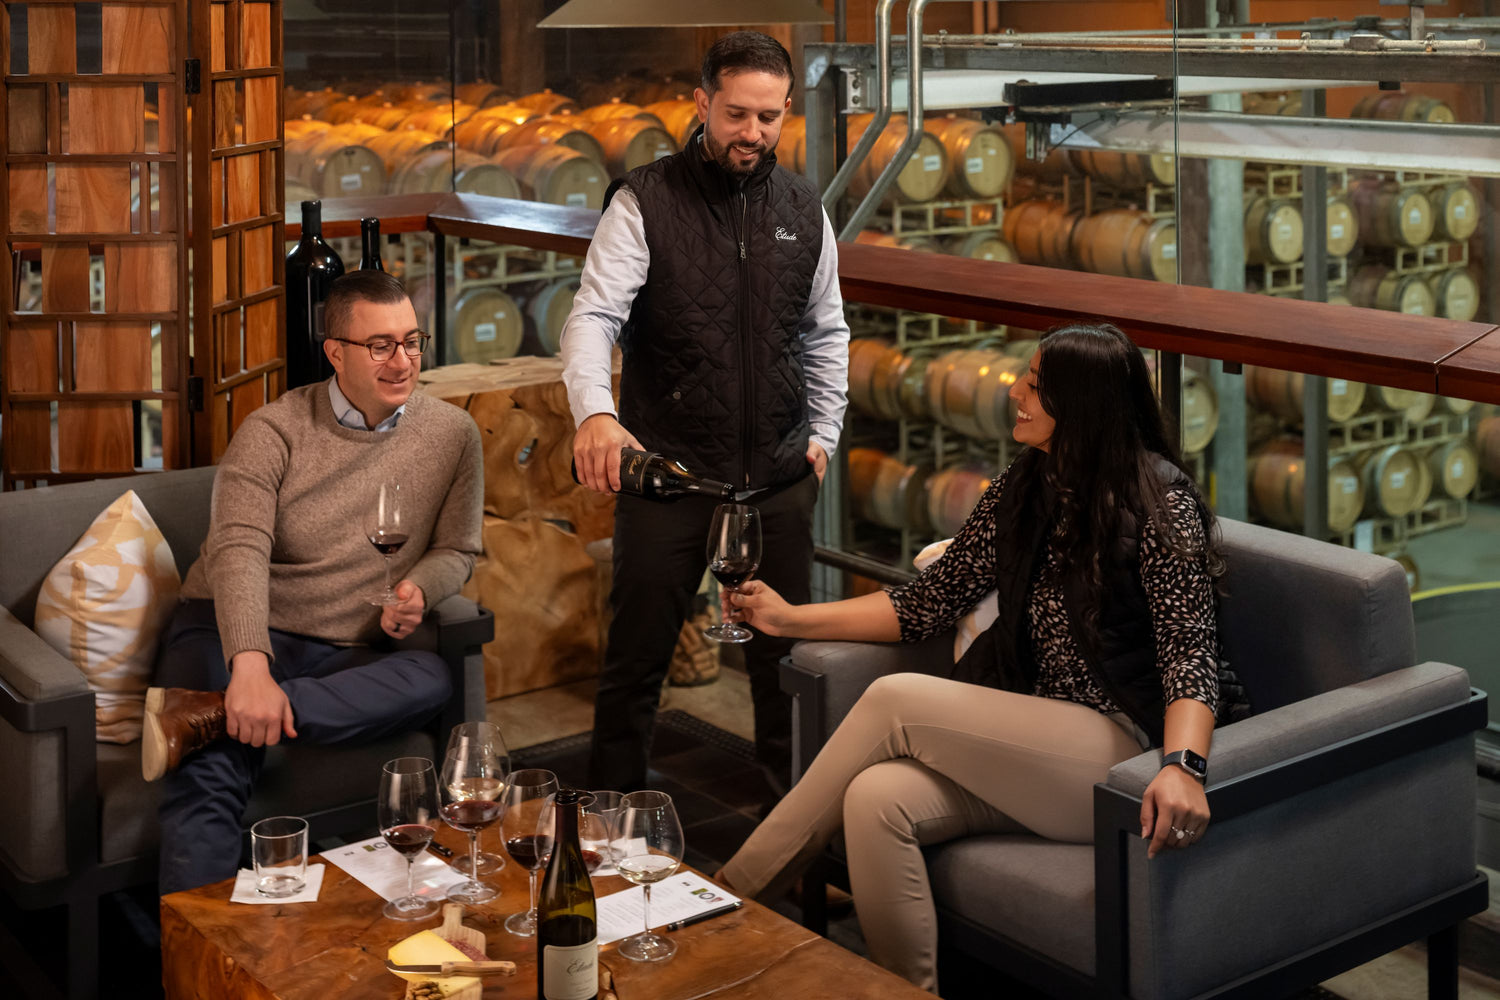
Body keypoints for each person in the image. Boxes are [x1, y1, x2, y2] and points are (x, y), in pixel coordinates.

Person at [716, 323, 1245, 992]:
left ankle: (723, 901)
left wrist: (1184, 767)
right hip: (1041, 741)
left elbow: (1189, 652)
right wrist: (788, 618)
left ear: (1081, 404)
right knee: (876, 798)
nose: (1016, 391)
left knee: (895, 700)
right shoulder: (1028, 484)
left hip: (1124, 749)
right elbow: (928, 602)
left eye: (1035, 383)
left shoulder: (1159, 501)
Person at [561, 30, 850, 794]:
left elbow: (826, 330)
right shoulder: (644, 200)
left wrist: (825, 434)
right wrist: (594, 414)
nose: (751, 132)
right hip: (669, 477)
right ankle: (607, 823)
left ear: (785, 111)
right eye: (735, 114)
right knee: (634, 666)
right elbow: (593, 317)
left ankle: (788, 837)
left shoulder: (804, 207)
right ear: (701, 105)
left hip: (778, 480)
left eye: (767, 116)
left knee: (784, 672)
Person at [142, 270, 483, 894]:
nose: (402, 360)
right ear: (335, 353)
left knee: (432, 678)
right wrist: (250, 668)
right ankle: (197, 950)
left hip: (343, 648)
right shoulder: (272, 430)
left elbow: (457, 548)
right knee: (210, 777)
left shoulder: (453, 434)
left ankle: (208, 713)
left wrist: (419, 589)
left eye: (412, 341)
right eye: (379, 345)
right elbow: (239, 551)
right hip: (227, 628)